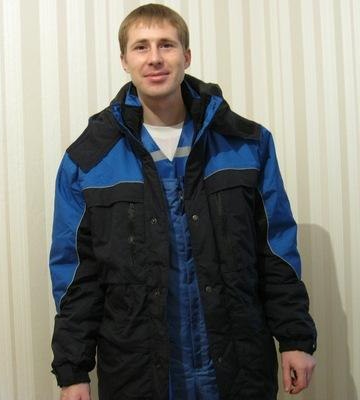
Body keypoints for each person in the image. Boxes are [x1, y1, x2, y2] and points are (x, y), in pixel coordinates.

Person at [49, 3, 317, 400]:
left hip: (237, 365)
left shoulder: (247, 144)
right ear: (124, 60)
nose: (155, 58)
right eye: (141, 47)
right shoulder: (88, 159)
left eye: (166, 45)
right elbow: (77, 276)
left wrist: (295, 337)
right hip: (138, 372)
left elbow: (275, 250)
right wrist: (73, 371)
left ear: (186, 56)